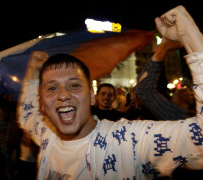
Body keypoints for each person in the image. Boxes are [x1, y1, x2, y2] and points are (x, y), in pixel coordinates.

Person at [18, 5, 203, 179]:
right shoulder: (46, 135)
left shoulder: (127, 142)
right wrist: (32, 74)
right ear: (42, 102)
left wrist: (190, 35)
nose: (63, 95)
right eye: (52, 88)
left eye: (74, 85)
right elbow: (28, 114)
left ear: (91, 96)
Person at [135, 36, 195, 120]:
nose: (193, 95)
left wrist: (161, 51)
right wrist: (160, 52)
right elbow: (157, 86)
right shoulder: (180, 115)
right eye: (190, 93)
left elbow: (144, 90)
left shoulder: (182, 117)